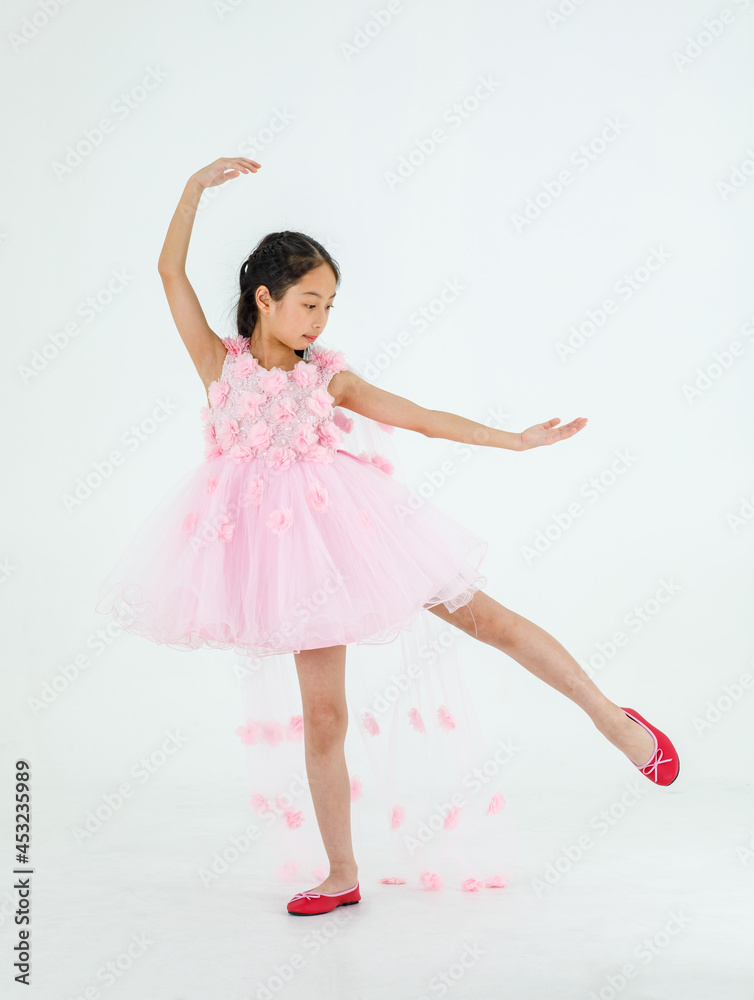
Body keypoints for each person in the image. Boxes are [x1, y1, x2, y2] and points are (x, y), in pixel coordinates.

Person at [95, 157, 679, 917]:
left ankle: (613, 721)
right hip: (285, 560)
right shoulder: (219, 365)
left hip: (356, 530)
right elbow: (169, 271)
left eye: (330, 306)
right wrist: (192, 189)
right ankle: (342, 872)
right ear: (263, 299)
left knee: (489, 622)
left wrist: (512, 441)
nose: (318, 321)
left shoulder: (327, 379)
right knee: (325, 716)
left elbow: (419, 415)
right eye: (308, 303)